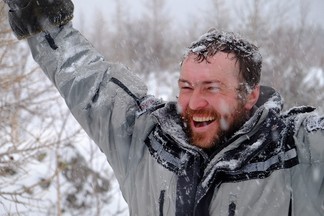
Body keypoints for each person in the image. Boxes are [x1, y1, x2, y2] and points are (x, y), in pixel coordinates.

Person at [5, 0, 324, 215]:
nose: (194, 103)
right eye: (186, 86)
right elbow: (87, 78)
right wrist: (42, 18)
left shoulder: (299, 151)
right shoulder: (145, 139)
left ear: (250, 95)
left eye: (212, 88)